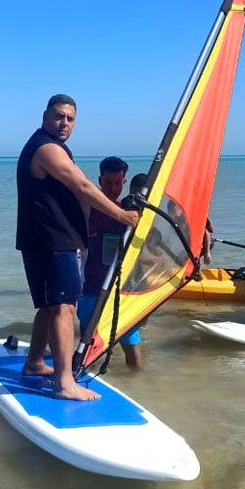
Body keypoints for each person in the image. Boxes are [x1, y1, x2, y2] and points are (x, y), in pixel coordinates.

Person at [16, 95, 140, 400]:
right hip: (52, 240)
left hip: (48, 239)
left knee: (49, 305)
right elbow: (82, 185)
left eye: (70, 119)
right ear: (45, 116)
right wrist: (122, 215)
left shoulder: (52, 146)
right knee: (64, 308)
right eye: (58, 116)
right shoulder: (45, 148)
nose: (64, 124)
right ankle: (64, 382)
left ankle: (34, 363)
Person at [76, 157, 143, 369]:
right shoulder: (88, 207)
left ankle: (138, 384)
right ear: (99, 181)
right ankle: (83, 379)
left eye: (117, 183)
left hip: (122, 292)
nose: (113, 188)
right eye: (107, 183)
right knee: (89, 347)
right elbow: (78, 186)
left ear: (124, 182)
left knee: (132, 349)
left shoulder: (132, 212)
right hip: (91, 289)